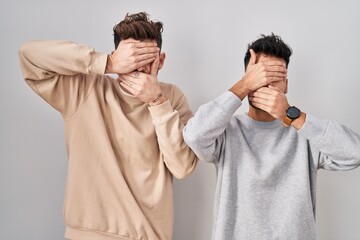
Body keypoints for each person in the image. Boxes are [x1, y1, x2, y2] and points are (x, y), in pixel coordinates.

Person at [19, 12, 197, 240]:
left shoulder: (171, 97)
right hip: (90, 234)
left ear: (161, 61)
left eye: (146, 59)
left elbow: (183, 167)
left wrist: (157, 102)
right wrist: (107, 63)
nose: (139, 68)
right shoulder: (85, 90)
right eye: (132, 58)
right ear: (118, 55)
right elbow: (28, 56)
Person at [183, 33, 360, 240]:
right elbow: (194, 136)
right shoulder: (227, 131)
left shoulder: (305, 133)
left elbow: (355, 153)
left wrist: (293, 116)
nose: (267, 84)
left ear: (286, 85)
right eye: (260, 77)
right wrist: (242, 86)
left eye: (274, 78)